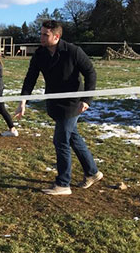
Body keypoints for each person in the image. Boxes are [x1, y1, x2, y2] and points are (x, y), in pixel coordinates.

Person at [15, 20, 103, 195]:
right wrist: (23, 101)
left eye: (45, 35)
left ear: (56, 36)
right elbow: (30, 78)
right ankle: (92, 172)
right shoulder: (40, 54)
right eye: (40, 34)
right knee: (72, 137)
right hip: (54, 102)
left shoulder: (73, 51)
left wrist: (86, 99)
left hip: (73, 103)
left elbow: (90, 73)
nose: (41, 37)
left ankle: (63, 184)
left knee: (60, 140)